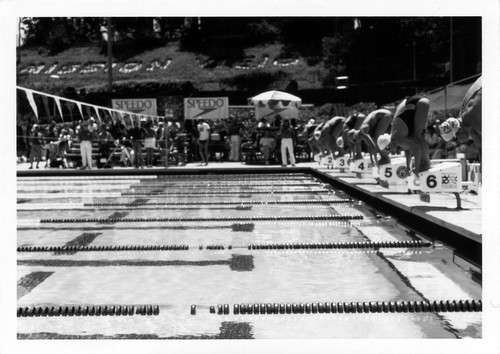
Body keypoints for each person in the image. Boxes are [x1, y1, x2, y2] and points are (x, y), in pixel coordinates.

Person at [377, 94, 431, 176]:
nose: (391, 152)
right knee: (415, 135)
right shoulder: (396, 137)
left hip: (418, 102)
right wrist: (408, 166)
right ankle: (424, 163)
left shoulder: (397, 137)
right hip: (413, 101)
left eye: (388, 150)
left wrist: (416, 168)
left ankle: (426, 163)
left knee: (417, 135)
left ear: (388, 143)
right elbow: (407, 149)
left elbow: (416, 149)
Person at [439, 76, 482, 162]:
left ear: (459, 130)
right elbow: (481, 149)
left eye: (456, 140)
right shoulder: (468, 122)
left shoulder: (473, 117)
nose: (457, 144)